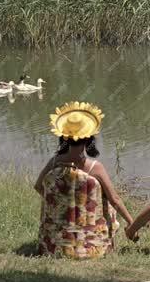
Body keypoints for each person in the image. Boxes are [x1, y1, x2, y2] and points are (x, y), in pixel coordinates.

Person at [35, 101, 134, 259]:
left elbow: (38, 186)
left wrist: (61, 204)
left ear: (64, 138)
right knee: (106, 201)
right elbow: (115, 199)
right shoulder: (95, 167)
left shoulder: (54, 163)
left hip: (55, 246)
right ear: (89, 139)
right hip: (92, 247)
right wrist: (131, 223)